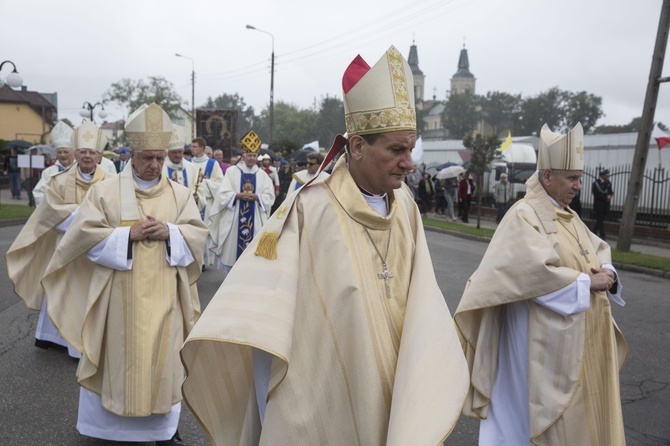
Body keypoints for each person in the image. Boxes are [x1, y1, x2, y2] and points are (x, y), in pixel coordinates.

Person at [180, 45, 468, 445]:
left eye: (410, 149)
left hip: (397, 377)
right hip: (326, 385)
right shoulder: (310, 207)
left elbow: (422, 296)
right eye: (396, 150)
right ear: (357, 148)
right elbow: (268, 311)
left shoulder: (406, 207)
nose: (409, 163)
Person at [41, 103, 208, 446]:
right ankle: (104, 430)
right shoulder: (105, 192)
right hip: (117, 298)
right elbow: (82, 237)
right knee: (116, 362)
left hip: (165, 299)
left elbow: (197, 236)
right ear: (131, 155)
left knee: (162, 364)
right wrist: (125, 236)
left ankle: (163, 431)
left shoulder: (180, 194)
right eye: (147, 157)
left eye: (160, 158)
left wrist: (171, 232)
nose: (155, 165)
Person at [454, 122, 627, 445]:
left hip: (571, 338)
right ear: (547, 176)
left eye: (579, 178)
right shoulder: (524, 215)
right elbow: (529, 272)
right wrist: (585, 282)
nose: (578, 186)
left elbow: (597, 248)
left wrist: (609, 272)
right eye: (572, 178)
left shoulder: (567, 215)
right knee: (524, 415)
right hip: (531, 337)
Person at [6, 120, 112, 357]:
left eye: (91, 152)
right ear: (76, 153)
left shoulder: (110, 182)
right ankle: (56, 338)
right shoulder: (59, 180)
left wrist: (87, 222)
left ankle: (86, 343)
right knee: (62, 290)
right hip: (65, 248)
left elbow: (115, 213)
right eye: (82, 152)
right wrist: (87, 219)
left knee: (91, 294)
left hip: (96, 248)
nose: (87, 156)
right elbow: (51, 211)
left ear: (99, 155)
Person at [207, 130, 275, 273]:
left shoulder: (263, 176)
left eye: (254, 155)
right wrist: (237, 196)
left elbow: (270, 196)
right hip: (235, 218)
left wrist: (257, 197)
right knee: (233, 253)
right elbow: (222, 193)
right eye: (249, 155)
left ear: (258, 157)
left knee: (253, 257)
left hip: (255, 219)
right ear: (243, 156)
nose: (251, 158)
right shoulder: (232, 172)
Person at [190, 136, 224, 266]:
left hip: (207, 203)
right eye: (191, 147)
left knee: (205, 231)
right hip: (191, 202)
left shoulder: (212, 164)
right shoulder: (188, 162)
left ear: (202, 148)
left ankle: (204, 260)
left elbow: (220, 182)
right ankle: (195, 260)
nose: (192, 149)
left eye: (195, 146)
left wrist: (203, 185)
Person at [162, 124, 205, 215]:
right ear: (167, 152)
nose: (177, 155)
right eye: (174, 152)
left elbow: (199, 188)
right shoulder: (161, 168)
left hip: (187, 211)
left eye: (180, 152)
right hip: (167, 211)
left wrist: (197, 197)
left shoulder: (191, 167)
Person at [32, 121, 77, 205]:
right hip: (55, 212)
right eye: (59, 152)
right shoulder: (48, 172)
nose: (63, 155)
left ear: (73, 152)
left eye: (66, 152)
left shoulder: (80, 169)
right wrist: (52, 205)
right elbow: (39, 193)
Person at [592, 168, 613, 239]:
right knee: (600, 219)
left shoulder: (608, 183)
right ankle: (602, 235)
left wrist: (610, 195)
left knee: (600, 220)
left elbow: (610, 191)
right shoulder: (596, 183)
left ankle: (593, 232)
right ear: (602, 175)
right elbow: (596, 194)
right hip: (599, 205)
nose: (607, 177)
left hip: (606, 205)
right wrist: (605, 197)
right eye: (606, 175)